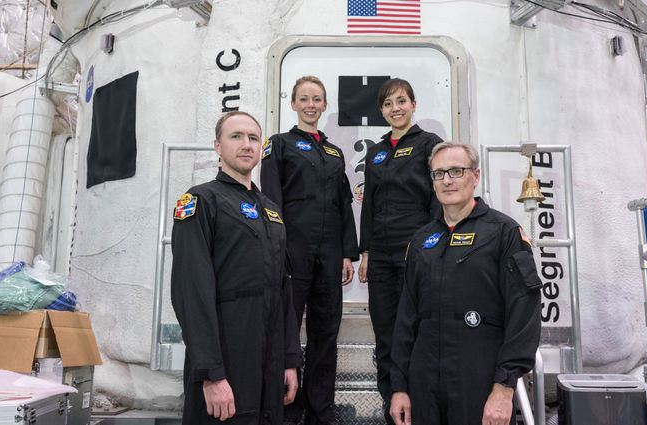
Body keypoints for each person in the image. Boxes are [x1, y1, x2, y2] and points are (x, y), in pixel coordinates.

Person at [389, 142, 542, 425]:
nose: (447, 180)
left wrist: (504, 387)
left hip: (479, 380)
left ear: (476, 175)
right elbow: (406, 319)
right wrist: (399, 387)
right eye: (439, 173)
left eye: (456, 171)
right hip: (424, 383)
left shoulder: (504, 233)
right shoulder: (422, 241)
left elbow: (525, 312)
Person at [171, 111, 301, 425]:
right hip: (225, 363)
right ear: (217, 146)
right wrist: (211, 374)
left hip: (268, 367)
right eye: (236, 136)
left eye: (253, 138)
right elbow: (192, 293)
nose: (246, 144)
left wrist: (289, 360)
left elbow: (282, 291)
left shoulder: (270, 209)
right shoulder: (201, 201)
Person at [260, 76, 359, 425]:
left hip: (330, 256)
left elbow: (343, 205)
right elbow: (270, 199)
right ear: (293, 104)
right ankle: (285, 412)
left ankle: (321, 413)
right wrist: (277, 249)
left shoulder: (334, 153)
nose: (311, 105)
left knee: (325, 336)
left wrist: (348, 253)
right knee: (285, 333)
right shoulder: (279, 145)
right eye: (304, 99)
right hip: (293, 253)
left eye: (317, 99)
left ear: (324, 104)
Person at [357, 78, 443, 423]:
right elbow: (369, 206)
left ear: (413, 104)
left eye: (402, 101)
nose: (396, 108)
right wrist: (365, 253)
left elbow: (439, 198)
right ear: (382, 110)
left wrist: (431, 246)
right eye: (389, 103)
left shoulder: (429, 144)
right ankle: (392, 406)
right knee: (386, 336)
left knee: (418, 332)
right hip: (381, 256)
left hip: (417, 252)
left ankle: (422, 407)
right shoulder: (376, 151)